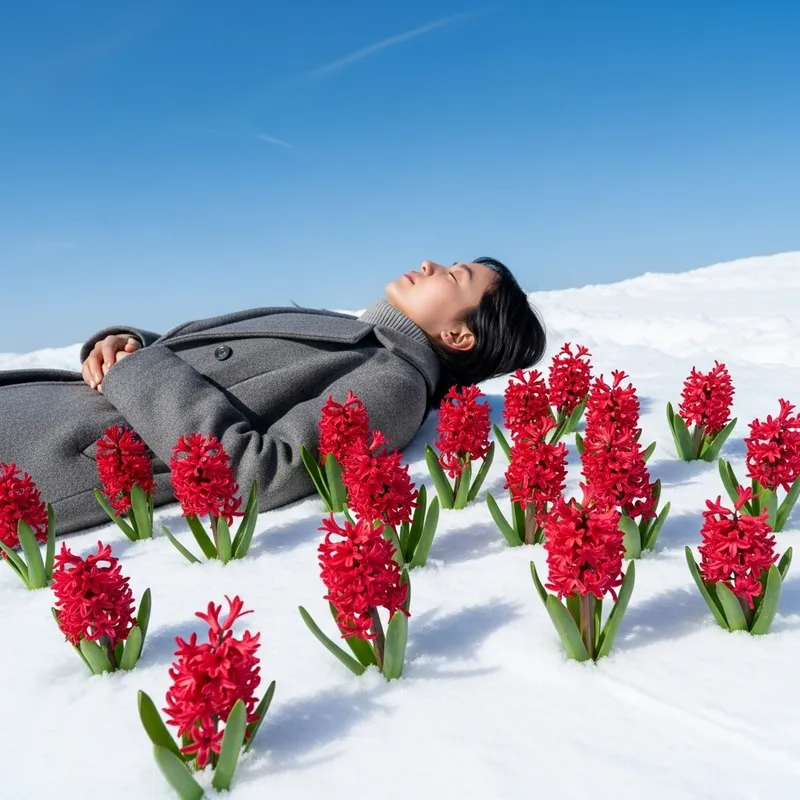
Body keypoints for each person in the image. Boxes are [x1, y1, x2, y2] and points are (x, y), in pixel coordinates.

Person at [0, 258, 546, 535]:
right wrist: (129, 344)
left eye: (454, 276)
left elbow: (259, 473)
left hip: (50, 460)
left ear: (458, 335)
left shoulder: (394, 383)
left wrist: (140, 373)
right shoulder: (349, 331)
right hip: (43, 410)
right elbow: (204, 360)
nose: (429, 264)